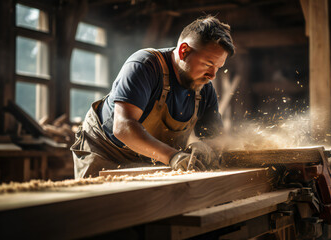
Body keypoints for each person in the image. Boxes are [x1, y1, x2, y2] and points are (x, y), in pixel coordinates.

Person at [71, 15, 235, 178]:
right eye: (208, 64)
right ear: (184, 51)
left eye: (218, 68)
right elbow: (122, 127)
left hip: (154, 159)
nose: (212, 75)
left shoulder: (204, 88)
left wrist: (206, 146)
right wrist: (173, 156)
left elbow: (217, 138)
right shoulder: (144, 66)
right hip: (107, 153)